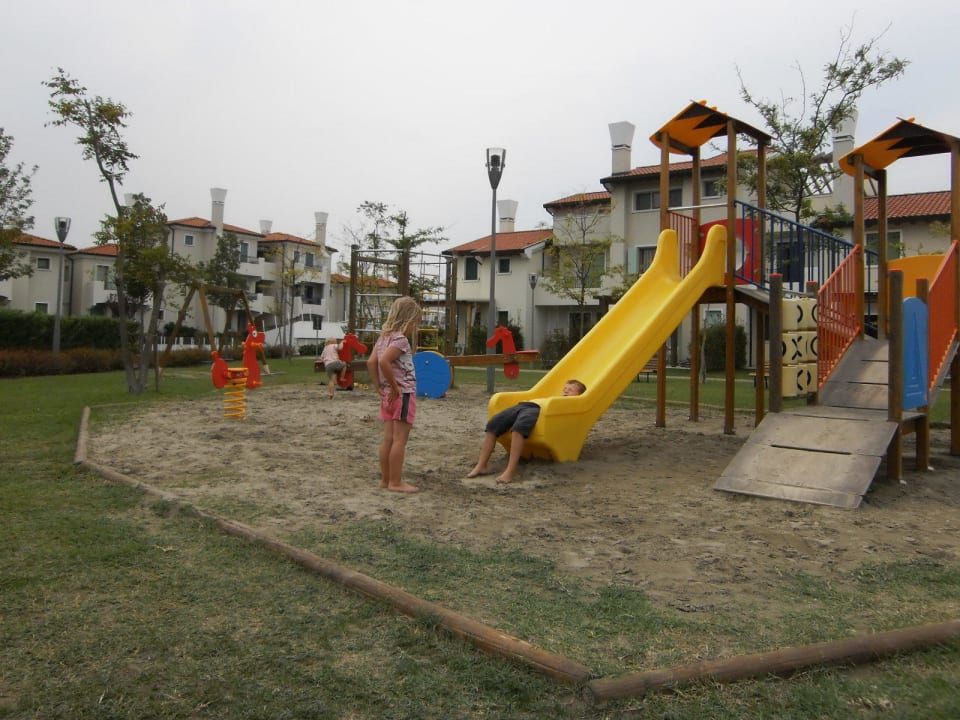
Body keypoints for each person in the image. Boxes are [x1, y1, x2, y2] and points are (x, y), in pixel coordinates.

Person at [467, 379, 587, 484]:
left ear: (578, 396)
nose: (565, 391)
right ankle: (481, 465)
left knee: (518, 429)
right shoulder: (558, 399)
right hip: (525, 405)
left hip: (538, 409)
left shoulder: (567, 404)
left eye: (570, 390)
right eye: (565, 389)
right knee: (493, 424)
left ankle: (510, 471)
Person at [366, 296, 422, 493]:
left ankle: (385, 480)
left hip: (387, 396)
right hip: (402, 394)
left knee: (388, 439)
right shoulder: (400, 340)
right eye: (415, 322)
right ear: (408, 319)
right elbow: (383, 362)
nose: (415, 326)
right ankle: (396, 482)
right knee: (400, 440)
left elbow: (371, 362)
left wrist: (379, 386)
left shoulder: (383, 338)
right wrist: (395, 387)